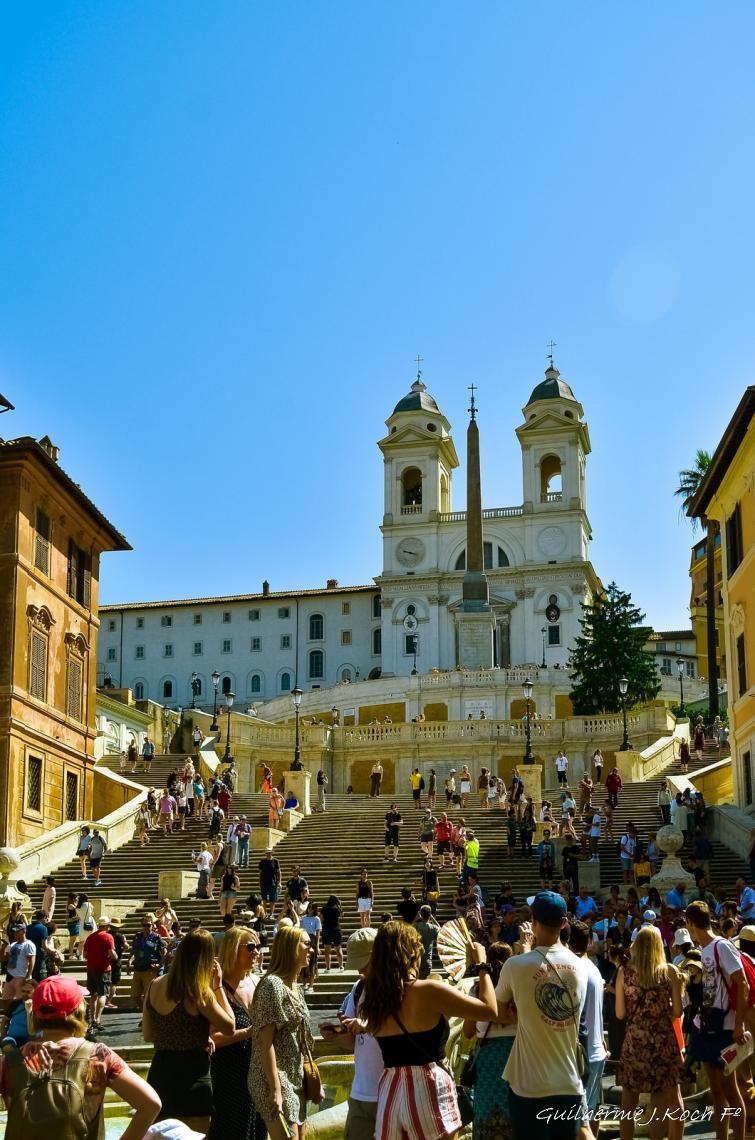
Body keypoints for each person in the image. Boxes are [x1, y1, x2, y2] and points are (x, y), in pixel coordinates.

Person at [360, 919, 497, 1140]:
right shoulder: (429, 991)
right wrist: (482, 966)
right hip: (429, 1087)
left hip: (390, 1091)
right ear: (412, 953)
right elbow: (490, 1010)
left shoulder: (373, 999)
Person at [0, 975, 161, 1140]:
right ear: (79, 1010)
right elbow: (151, 1104)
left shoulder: (9, 1061)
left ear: (34, 1012)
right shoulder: (99, 1056)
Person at [495, 891, 588, 1140]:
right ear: (564, 923)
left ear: (533, 922)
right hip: (568, 1082)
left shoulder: (515, 965)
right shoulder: (581, 966)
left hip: (528, 1085)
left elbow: (499, 1012)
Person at [144, 928, 235, 1130]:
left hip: (160, 1072)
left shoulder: (154, 984)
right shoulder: (198, 990)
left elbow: (148, 1035)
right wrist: (218, 986)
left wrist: (184, 1034)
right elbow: (229, 1026)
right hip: (192, 1075)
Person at [686, 900, 749, 1140]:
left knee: (730, 1090)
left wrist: (739, 1024)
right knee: (716, 1090)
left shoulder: (721, 946)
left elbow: (741, 983)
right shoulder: (704, 950)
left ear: (691, 924)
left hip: (725, 1026)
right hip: (709, 1025)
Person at [615, 925, 684, 1140]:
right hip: (663, 1041)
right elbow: (678, 1011)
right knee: (660, 1102)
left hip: (635, 1041)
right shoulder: (669, 971)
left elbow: (619, 1013)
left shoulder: (623, 972)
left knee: (628, 1102)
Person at [249, 925, 318, 1140]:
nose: (312, 949)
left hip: (294, 1075)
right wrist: (276, 1090)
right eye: (306, 943)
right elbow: (264, 1042)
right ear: (290, 947)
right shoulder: (273, 984)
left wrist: (312, 1076)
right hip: (274, 1077)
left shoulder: (294, 984)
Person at [208, 925, 266, 1140]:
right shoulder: (216, 987)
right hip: (229, 1075)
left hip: (258, 1072)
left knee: (258, 1131)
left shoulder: (258, 982)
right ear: (233, 949)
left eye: (258, 947)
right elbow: (212, 1038)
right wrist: (247, 1033)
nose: (256, 952)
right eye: (250, 947)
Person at [461, 941, 515, 1140]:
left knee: (486, 1109)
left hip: (487, 1059)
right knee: (514, 1109)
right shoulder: (517, 989)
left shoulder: (477, 990)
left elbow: (467, 1032)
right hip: (514, 1056)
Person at [83, 914, 117, 1036]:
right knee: (103, 994)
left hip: (91, 968)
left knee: (93, 995)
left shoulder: (90, 937)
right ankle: (97, 1019)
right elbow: (112, 954)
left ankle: (92, 1019)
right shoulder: (108, 937)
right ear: (107, 926)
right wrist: (115, 956)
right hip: (103, 969)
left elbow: (85, 955)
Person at [129, 916, 166, 1020]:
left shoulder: (156, 937)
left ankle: (147, 1017)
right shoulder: (137, 936)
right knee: (135, 996)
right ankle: (146, 1014)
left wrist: (160, 964)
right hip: (137, 969)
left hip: (149, 970)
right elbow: (133, 950)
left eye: (148, 925)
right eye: (144, 925)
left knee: (148, 996)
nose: (146, 927)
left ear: (152, 925)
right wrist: (129, 961)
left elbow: (164, 952)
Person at [2, 926, 35, 1003]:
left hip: (22, 977)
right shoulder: (12, 944)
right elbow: (4, 959)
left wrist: (27, 977)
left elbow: (32, 962)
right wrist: (3, 948)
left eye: (17, 932)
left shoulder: (29, 944)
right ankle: (9, 1015)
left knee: (20, 1002)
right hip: (10, 977)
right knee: (5, 1000)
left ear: (24, 931)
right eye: (14, 932)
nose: (15, 934)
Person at [412, 905, 440, 978]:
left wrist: (415, 918)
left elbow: (409, 928)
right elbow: (440, 928)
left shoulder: (416, 926)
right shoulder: (433, 927)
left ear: (421, 915)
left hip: (417, 958)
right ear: (429, 915)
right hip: (427, 959)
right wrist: (433, 918)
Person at [301, 903, 322, 993]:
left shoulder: (316, 919)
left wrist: (317, 946)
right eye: (309, 908)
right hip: (304, 940)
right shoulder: (304, 918)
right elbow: (301, 930)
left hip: (312, 940)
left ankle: (311, 985)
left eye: (312, 908)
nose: (310, 909)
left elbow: (318, 933)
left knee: (312, 963)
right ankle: (304, 984)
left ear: (314, 909)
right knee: (303, 962)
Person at [322, 895, 344, 971]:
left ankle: (328, 968)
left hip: (326, 929)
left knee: (327, 950)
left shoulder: (324, 908)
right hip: (336, 929)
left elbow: (321, 918)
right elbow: (342, 916)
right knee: (338, 949)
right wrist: (339, 905)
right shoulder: (337, 908)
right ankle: (341, 966)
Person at [259, 848, 282, 918]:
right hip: (264, 882)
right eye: (267, 853)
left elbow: (278, 872)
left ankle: (271, 913)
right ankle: (264, 913)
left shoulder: (275, 861)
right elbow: (260, 873)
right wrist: (259, 882)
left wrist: (279, 882)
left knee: (272, 899)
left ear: (272, 853)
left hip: (273, 882)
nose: (268, 854)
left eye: (269, 853)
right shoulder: (262, 861)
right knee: (264, 899)